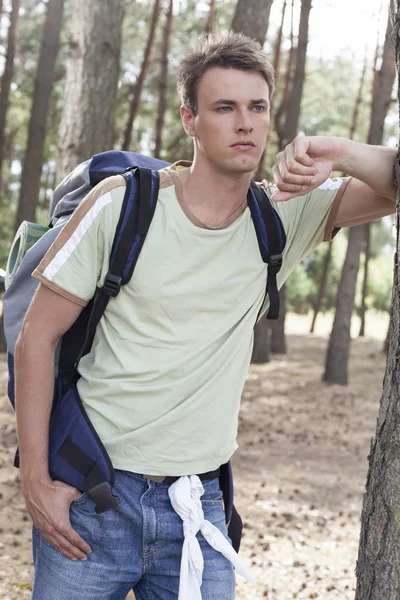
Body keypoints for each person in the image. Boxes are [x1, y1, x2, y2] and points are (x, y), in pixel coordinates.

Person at [14, 31, 395, 600]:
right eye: (225, 107)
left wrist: (336, 152)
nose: (245, 123)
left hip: (198, 506)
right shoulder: (122, 204)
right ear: (191, 120)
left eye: (257, 107)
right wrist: (35, 481)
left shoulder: (283, 218)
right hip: (93, 495)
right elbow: (35, 340)